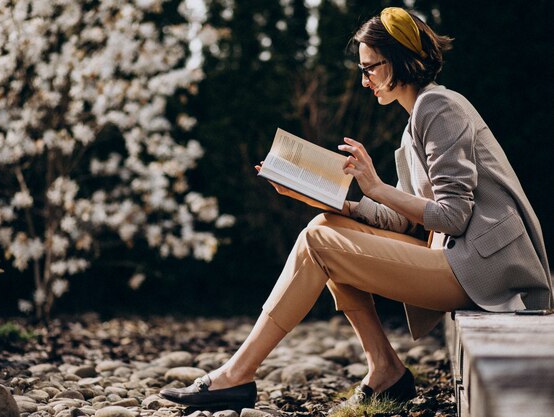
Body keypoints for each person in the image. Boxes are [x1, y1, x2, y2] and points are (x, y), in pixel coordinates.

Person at [160, 7, 553, 413]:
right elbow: (403, 218)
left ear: (401, 60)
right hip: (458, 260)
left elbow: (453, 216)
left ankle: (238, 374)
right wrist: (328, 199)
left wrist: (376, 186)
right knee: (323, 223)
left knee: (319, 240)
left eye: (370, 68)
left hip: (484, 272)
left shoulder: (440, 109)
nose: (363, 80)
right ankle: (382, 367)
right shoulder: (418, 118)